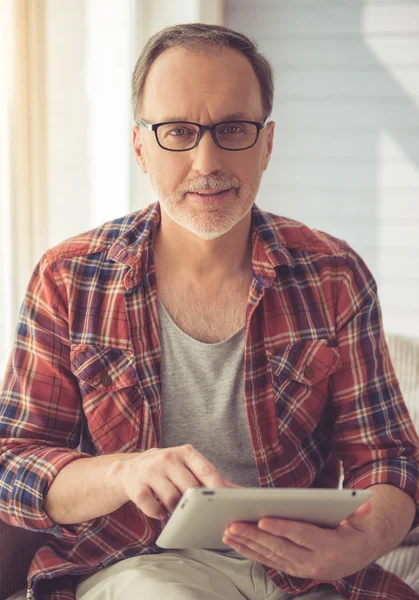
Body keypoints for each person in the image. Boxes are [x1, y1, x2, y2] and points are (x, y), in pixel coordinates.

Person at [0, 22, 418, 600]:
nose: (206, 161)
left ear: (267, 143)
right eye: (177, 131)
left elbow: (390, 458)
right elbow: (12, 466)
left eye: (233, 129)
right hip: (134, 566)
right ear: (140, 146)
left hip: (303, 576)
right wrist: (125, 471)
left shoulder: (334, 274)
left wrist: (363, 541)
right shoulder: (69, 276)